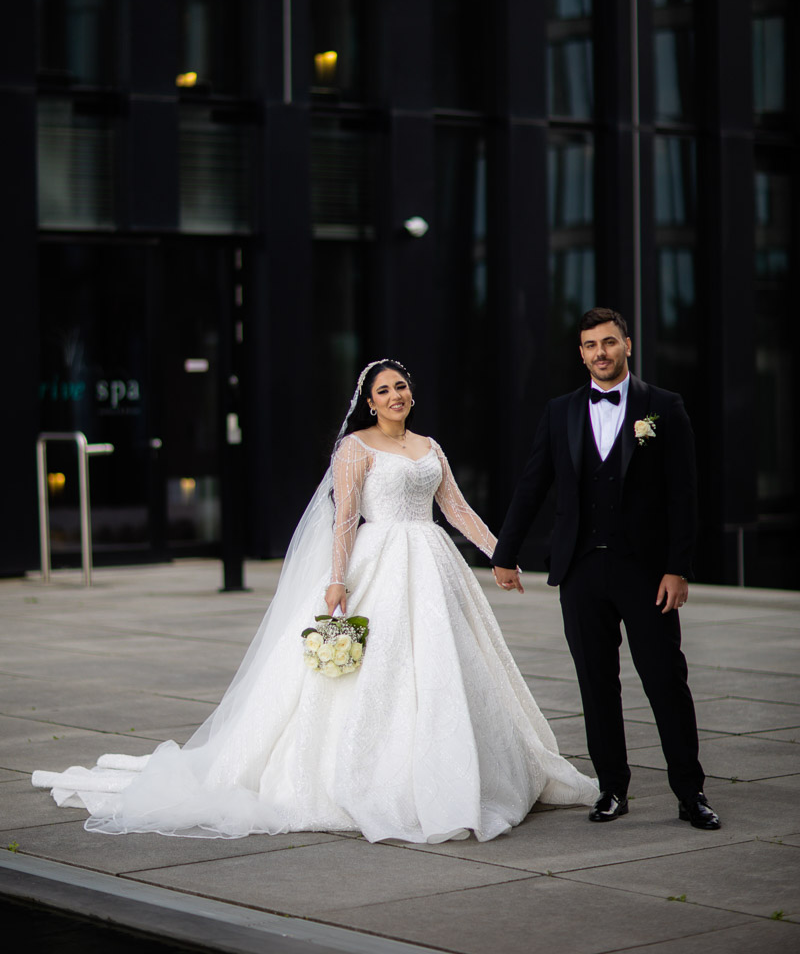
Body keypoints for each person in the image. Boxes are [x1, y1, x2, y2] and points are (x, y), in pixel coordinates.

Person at [33, 359, 596, 844]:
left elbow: (458, 509)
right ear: (369, 402)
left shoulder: (430, 448)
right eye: (384, 391)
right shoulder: (355, 448)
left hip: (432, 561)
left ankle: (468, 770)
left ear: (411, 394)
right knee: (375, 670)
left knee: (451, 664)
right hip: (377, 562)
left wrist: (501, 553)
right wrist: (337, 581)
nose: (395, 396)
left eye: (401, 387)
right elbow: (345, 516)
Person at [491, 309, 720, 830]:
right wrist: (505, 553)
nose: (600, 352)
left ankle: (691, 793)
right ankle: (612, 788)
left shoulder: (663, 407)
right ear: (581, 353)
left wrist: (677, 568)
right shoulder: (560, 411)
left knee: (665, 681)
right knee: (596, 684)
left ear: (627, 346)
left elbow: (684, 497)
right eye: (591, 345)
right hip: (580, 572)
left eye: (609, 343)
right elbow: (532, 485)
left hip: (646, 574)